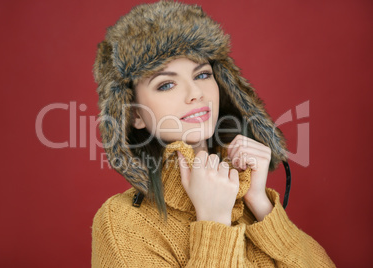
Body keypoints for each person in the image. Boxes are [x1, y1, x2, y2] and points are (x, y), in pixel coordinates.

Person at [91, 1, 335, 267]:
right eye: (167, 84)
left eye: (203, 74)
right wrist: (213, 220)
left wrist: (261, 205)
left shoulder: (247, 198)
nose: (196, 92)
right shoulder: (121, 222)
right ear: (134, 115)